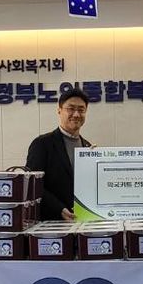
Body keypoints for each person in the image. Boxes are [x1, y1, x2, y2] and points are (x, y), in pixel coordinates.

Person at [26, 88, 91, 220]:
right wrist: (59, 209)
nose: (76, 114)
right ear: (59, 110)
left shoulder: (88, 147)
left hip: (83, 220)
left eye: (81, 110)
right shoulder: (42, 143)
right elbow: (32, 183)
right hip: (52, 220)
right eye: (71, 109)